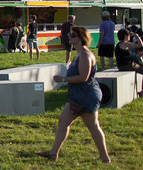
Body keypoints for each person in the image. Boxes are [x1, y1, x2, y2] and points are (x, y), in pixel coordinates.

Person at [38, 26, 110, 163]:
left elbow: (83, 77)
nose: (69, 37)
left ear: (81, 38)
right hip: (78, 94)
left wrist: (63, 79)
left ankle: (104, 157)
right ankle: (53, 153)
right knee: (63, 122)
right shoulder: (79, 54)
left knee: (93, 125)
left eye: (73, 35)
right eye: (69, 34)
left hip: (86, 95)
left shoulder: (84, 55)